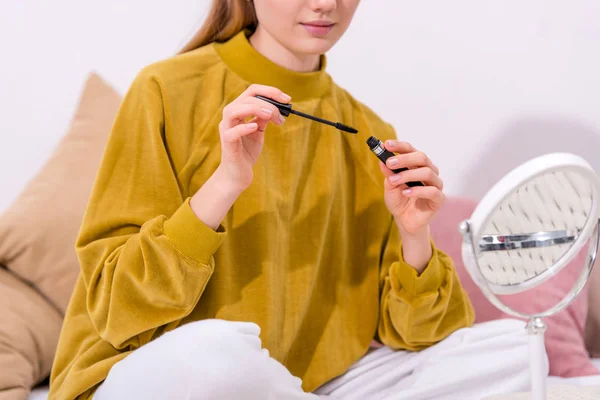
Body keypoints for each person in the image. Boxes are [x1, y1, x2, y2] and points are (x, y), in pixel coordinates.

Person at [49, 1, 534, 399]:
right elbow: (117, 306)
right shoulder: (164, 90)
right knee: (219, 355)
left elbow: (420, 335)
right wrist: (225, 184)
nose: (326, 5)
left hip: (302, 383)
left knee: (514, 351)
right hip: (162, 373)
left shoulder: (370, 134)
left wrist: (415, 233)